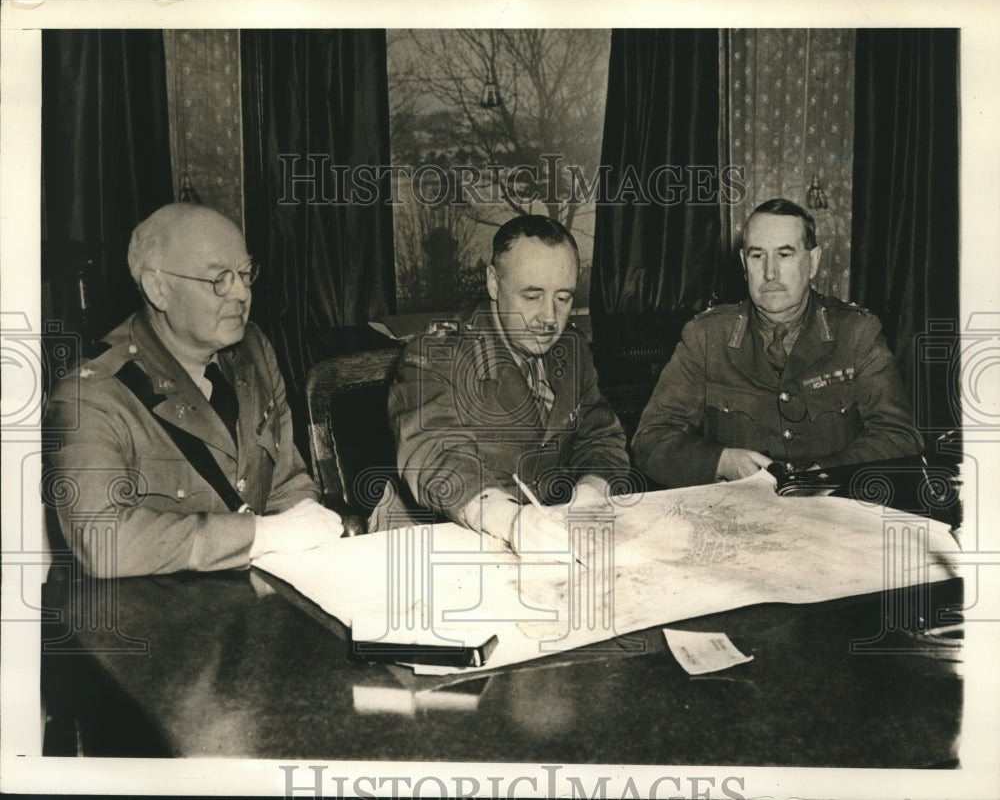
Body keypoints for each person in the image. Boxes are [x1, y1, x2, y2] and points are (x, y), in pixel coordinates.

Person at [45, 203, 343, 577]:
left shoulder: (254, 350)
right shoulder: (92, 395)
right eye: (219, 278)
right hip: (147, 622)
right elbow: (102, 541)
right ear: (158, 289)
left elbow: (286, 486)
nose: (240, 294)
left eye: (245, 273)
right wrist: (262, 534)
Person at [380, 215, 630, 559]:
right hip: (437, 541)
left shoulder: (571, 352)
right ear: (493, 283)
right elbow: (437, 457)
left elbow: (600, 437)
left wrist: (590, 492)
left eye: (563, 298)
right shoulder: (437, 353)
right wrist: (510, 520)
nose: (549, 317)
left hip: (544, 538)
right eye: (532, 296)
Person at [632, 198, 923, 489]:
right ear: (744, 263)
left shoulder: (856, 332)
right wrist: (721, 463)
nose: (770, 273)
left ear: (813, 261)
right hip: (738, 515)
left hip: (835, 511)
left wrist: (822, 475)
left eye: (785, 255)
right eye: (758, 256)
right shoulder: (706, 336)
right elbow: (651, 439)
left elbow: (899, 436)